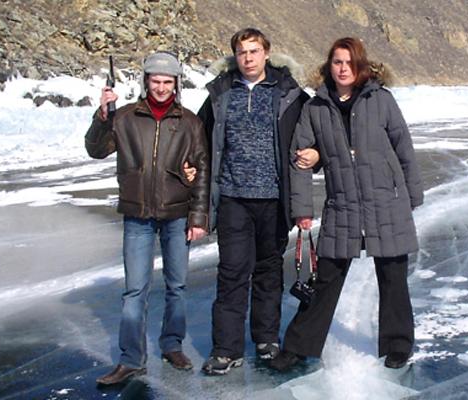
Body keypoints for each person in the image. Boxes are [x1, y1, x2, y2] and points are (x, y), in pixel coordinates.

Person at [270, 37, 423, 372]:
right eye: (337, 62)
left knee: (393, 277)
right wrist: (302, 210)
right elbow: (300, 159)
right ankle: (297, 346)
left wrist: (412, 193)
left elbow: (403, 147)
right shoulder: (316, 108)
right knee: (327, 278)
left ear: (360, 66)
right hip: (343, 204)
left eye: (349, 63)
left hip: (386, 201)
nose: (343, 69)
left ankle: (398, 345)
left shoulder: (381, 100)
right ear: (329, 66)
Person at [85, 51, 210, 385]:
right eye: (155, 81)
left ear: (177, 84)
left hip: (176, 215)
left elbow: (201, 171)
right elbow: (96, 149)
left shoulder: (189, 122)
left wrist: (198, 217)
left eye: (168, 82)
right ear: (145, 82)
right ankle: (131, 359)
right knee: (134, 290)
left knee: (177, 286)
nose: (161, 87)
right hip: (137, 215)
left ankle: (172, 345)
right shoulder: (124, 117)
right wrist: (102, 115)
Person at [196, 28, 310, 375]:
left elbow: (315, 128)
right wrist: (187, 168)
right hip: (232, 199)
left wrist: (317, 153)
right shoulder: (221, 93)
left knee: (268, 272)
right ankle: (225, 349)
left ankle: (266, 339)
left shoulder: (288, 92)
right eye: (242, 52)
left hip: (273, 200)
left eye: (254, 51)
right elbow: (197, 136)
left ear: (266, 53)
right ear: (235, 56)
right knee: (231, 274)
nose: (248, 58)